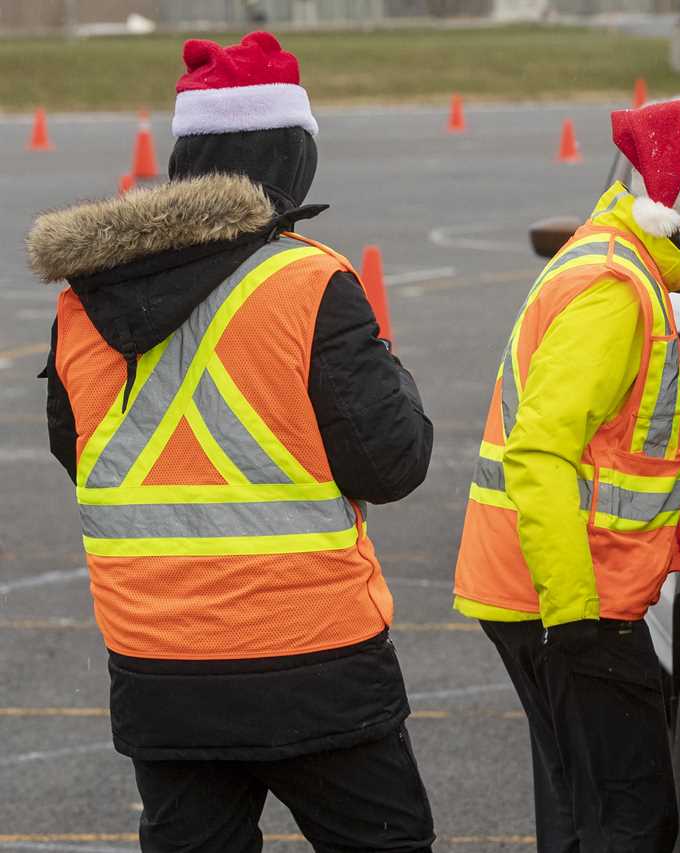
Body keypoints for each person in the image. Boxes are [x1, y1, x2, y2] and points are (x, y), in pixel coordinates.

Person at [27, 32, 435, 853]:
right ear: (291, 156)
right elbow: (393, 460)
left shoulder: (81, 305)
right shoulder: (306, 282)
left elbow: (82, 453)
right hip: (316, 659)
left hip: (159, 667)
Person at [453, 94, 680, 852]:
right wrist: (575, 619)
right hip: (567, 600)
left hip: (547, 589)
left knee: (583, 810)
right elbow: (539, 454)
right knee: (634, 817)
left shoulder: (623, 264)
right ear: (676, 208)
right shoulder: (613, 292)